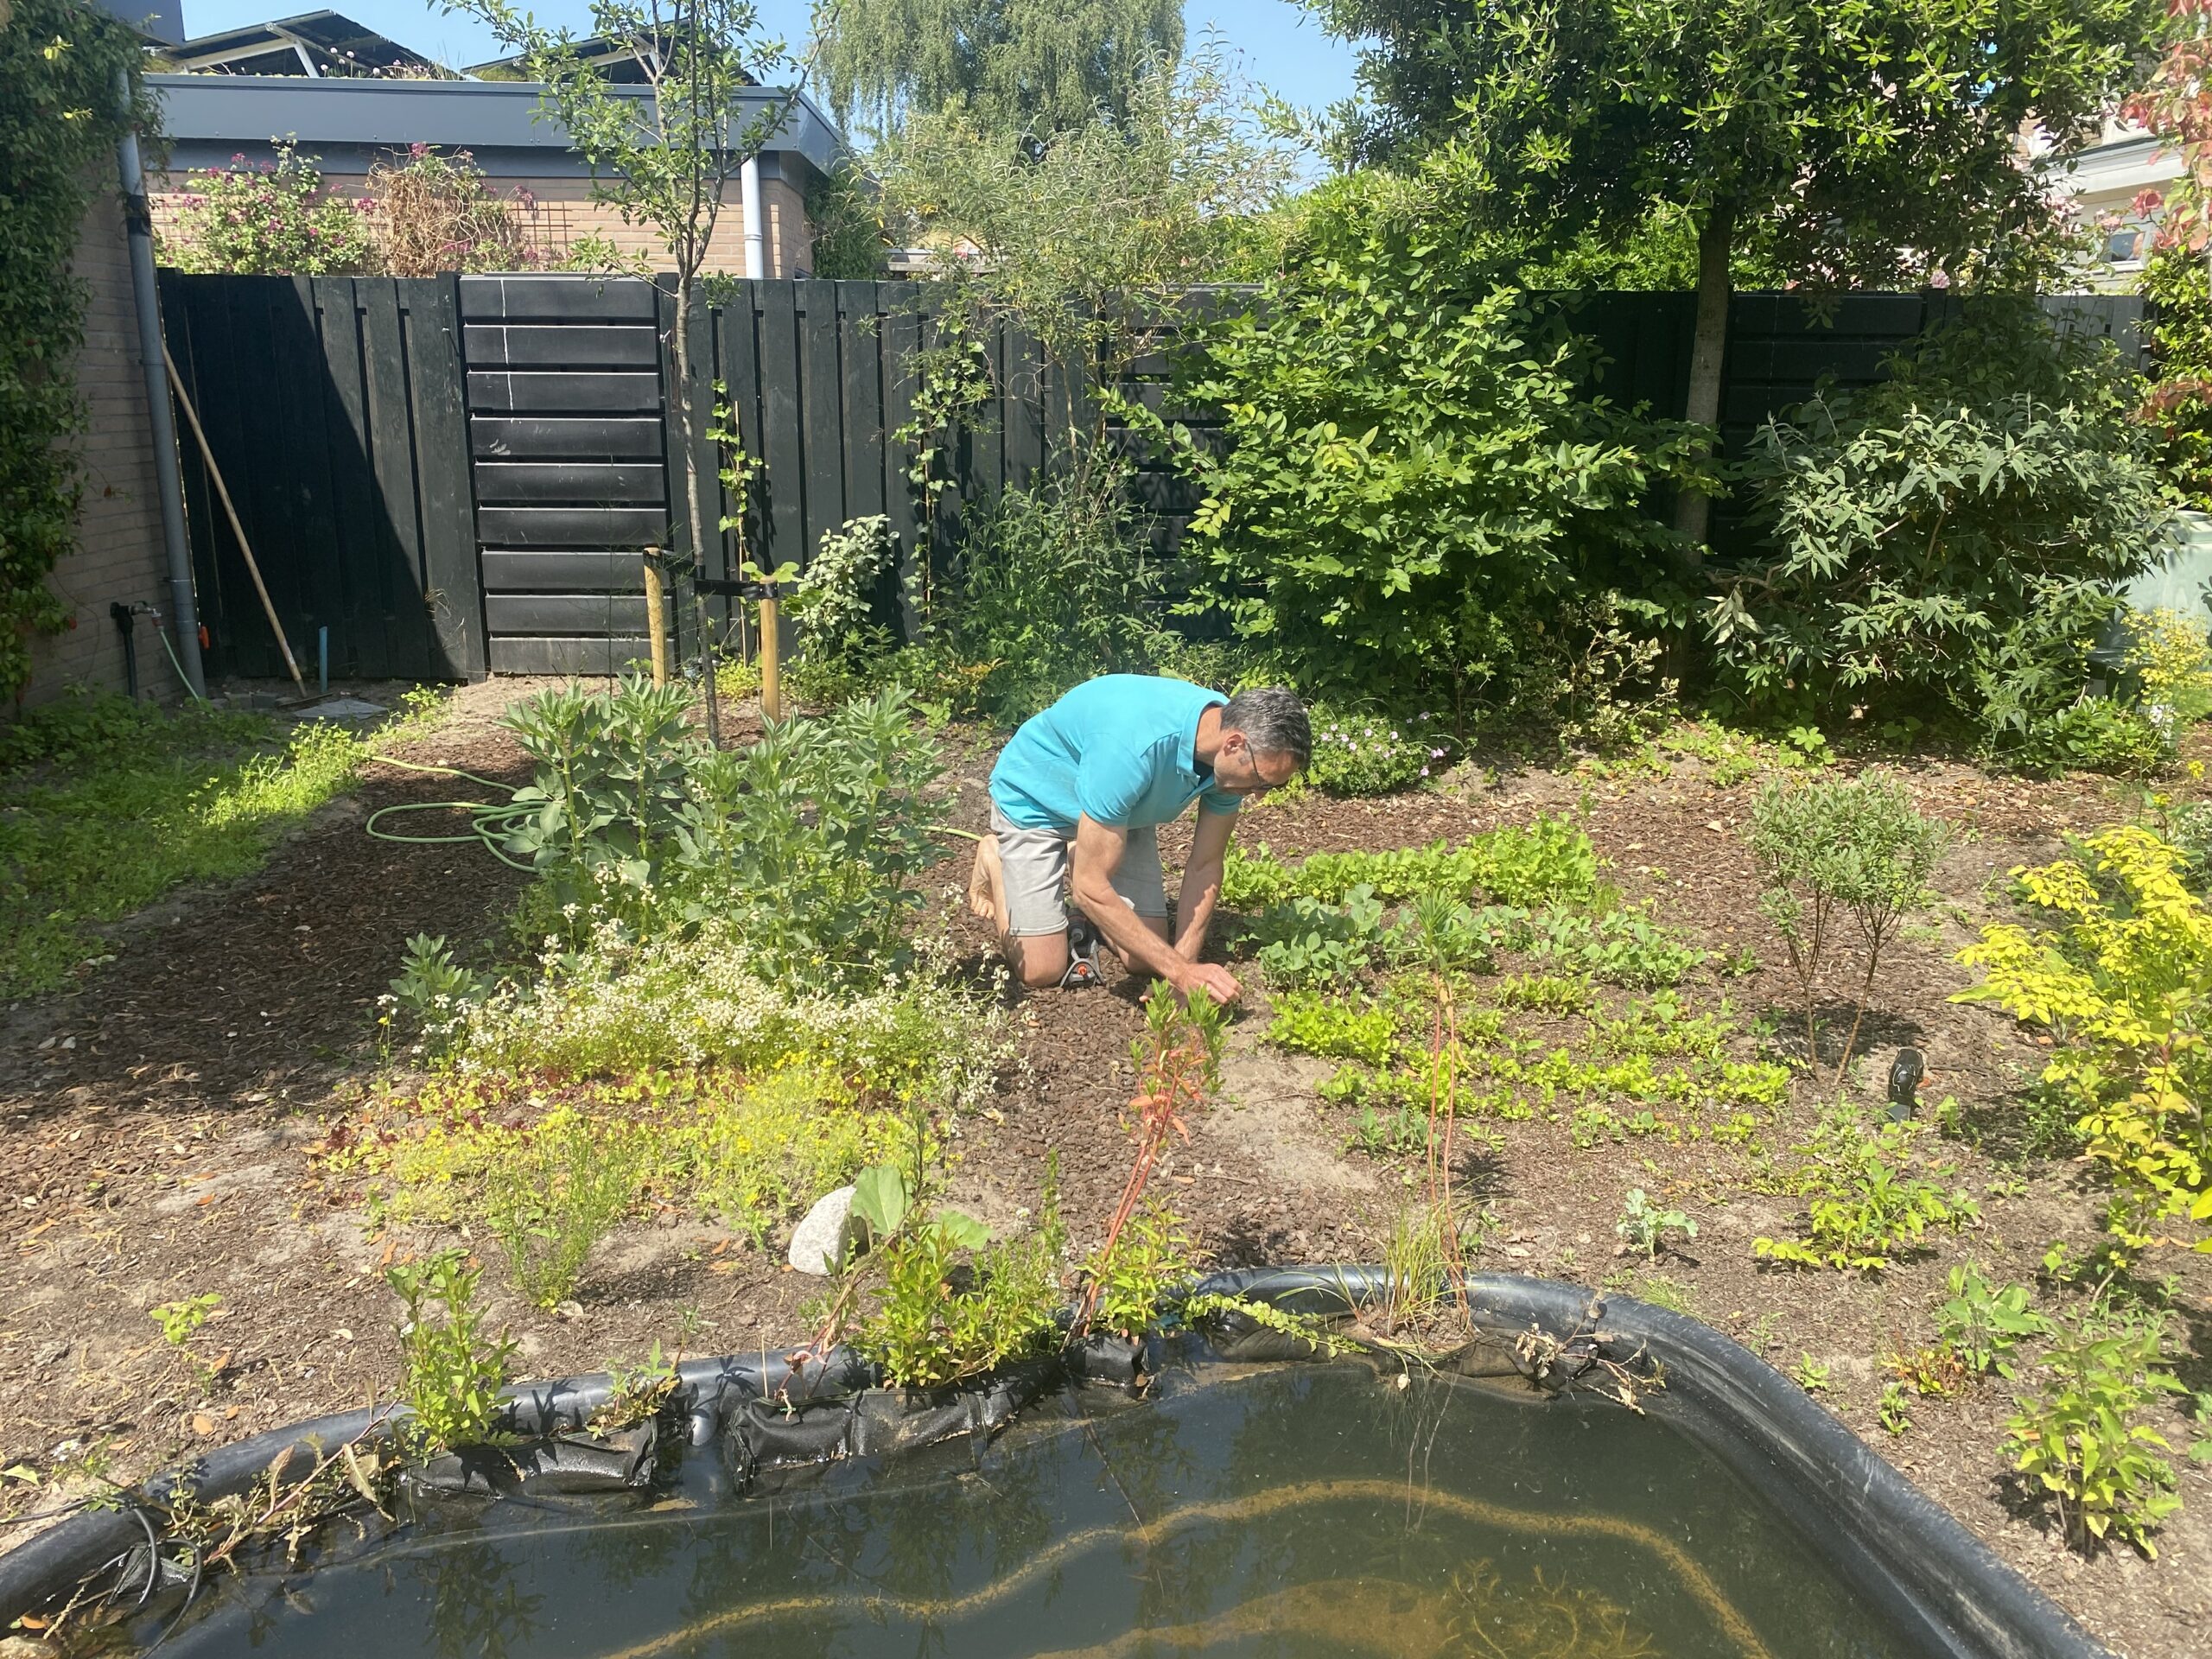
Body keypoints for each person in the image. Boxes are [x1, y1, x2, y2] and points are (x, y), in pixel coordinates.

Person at [966, 676, 1310, 1002]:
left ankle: (1084, 853)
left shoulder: (1228, 759)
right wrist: (1182, 973)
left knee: (1146, 958)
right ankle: (996, 859)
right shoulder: (1133, 749)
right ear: (1234, 744)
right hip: (1037, 801)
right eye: (1263, 782)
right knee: (1041, 969)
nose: (1261, 796)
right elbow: (1087, 888)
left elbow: (1205, 865)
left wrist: (1180, 971)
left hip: (1119, 814)